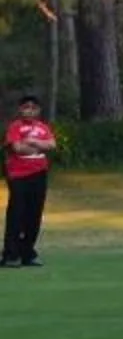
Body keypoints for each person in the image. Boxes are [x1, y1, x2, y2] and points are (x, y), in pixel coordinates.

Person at [1, 93, 53, 267]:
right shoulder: (15, 127)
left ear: (38, 110)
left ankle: (27, 252)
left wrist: (32, 142)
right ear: (20, 110)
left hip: (39, 173)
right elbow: (17, 148)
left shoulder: (43, 128)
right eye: (26, 108)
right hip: (18, 175)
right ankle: (11, 254)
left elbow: (51, 144)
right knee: (17, 213)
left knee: (34, 213)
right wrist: (38, 147)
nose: (29, 111)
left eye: (33, 108)